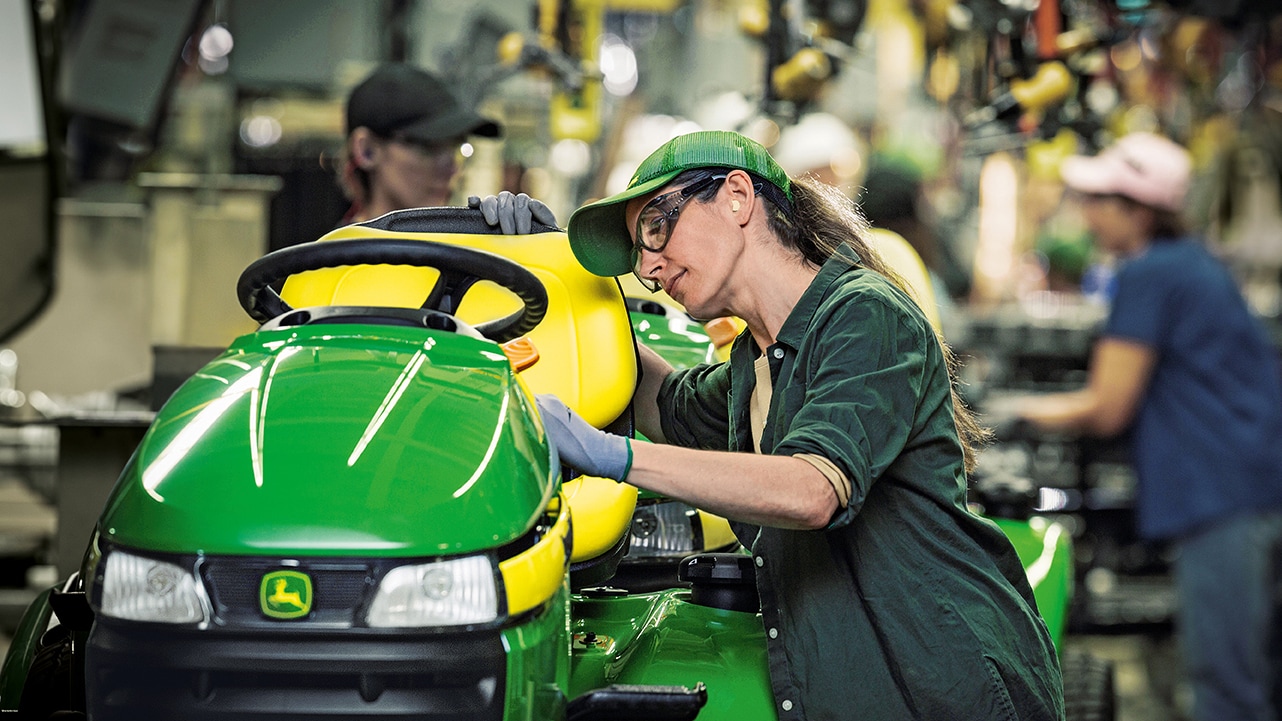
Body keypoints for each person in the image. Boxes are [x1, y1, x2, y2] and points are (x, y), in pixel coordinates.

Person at [537, 130, 1064, 719]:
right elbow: (657, 399)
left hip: (944, 683)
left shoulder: (864, 315)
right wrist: (538, 260)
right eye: (637, 253)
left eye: (657, 228)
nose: (650, 268)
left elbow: (810, 488)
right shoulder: (753, 366)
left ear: (737, 197)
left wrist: (614, 457)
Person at [1003, 131, 1282, 721]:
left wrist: (1014, 413)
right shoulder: (1189, 263)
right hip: (1242, 487)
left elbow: (1107, 406)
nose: (1090, 216)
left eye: (1100, 201)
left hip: (1221, 496)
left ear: (1137, 209)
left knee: (1226, 689)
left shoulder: (1152, 274)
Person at [338, 62, 554, 231]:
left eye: (456, 147)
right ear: (366, 150)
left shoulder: (463, 263)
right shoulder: (323, 267)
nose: (452, 168)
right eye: (427, 147)